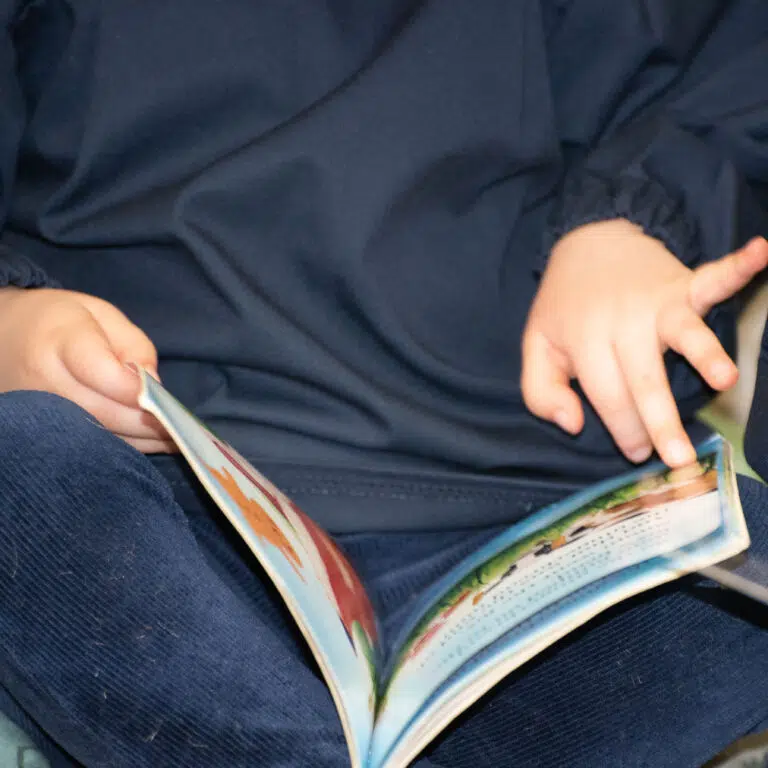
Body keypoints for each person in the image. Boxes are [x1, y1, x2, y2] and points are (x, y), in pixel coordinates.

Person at [1, 1, 767, 765]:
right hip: (169, 495)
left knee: (750, 549)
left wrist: (634, 223)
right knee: (20, 462)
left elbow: (728, 67)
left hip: (533, 519)